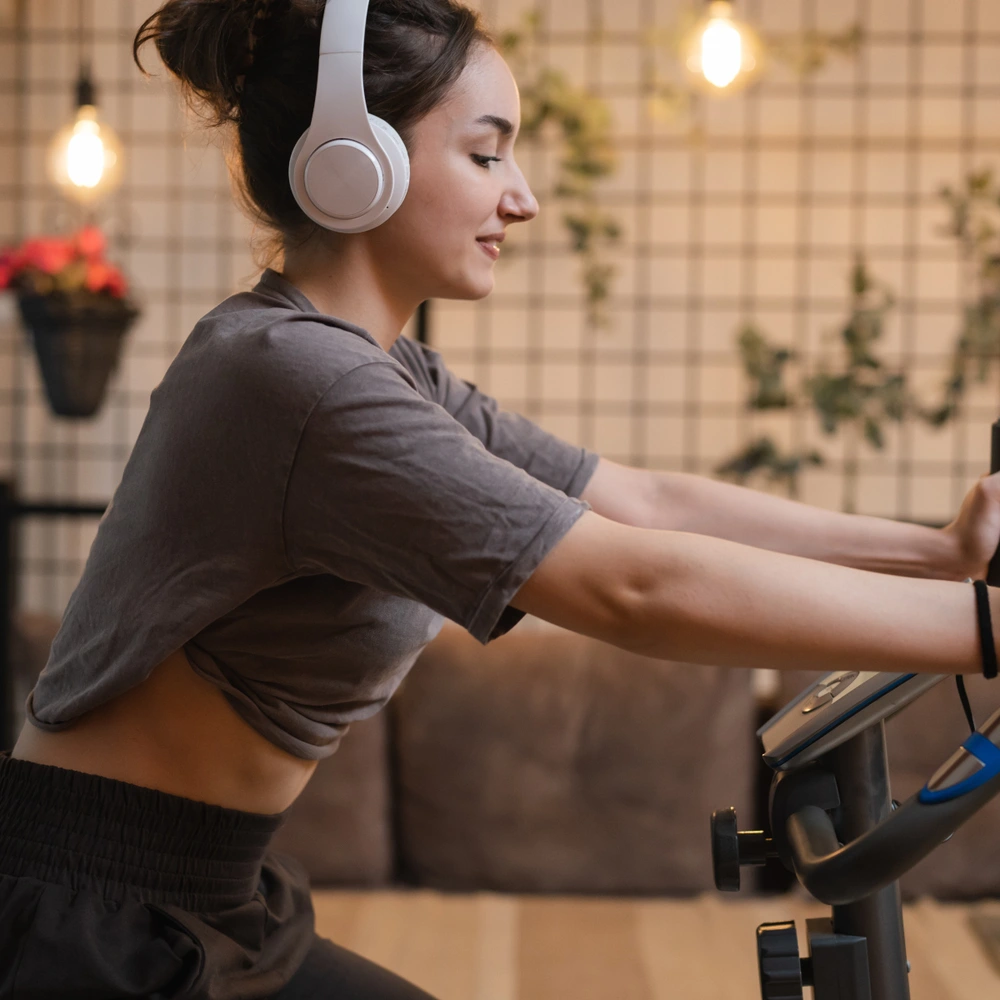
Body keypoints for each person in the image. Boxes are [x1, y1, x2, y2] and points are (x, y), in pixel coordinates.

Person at [1, 0, 999, 997]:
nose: (521, 198)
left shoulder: (382, 373)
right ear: (356, 164)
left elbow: (642, 505)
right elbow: (632, 587)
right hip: (92, 919)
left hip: (212, 893)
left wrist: (941, 555)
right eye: (486, 156)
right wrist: (984, 630)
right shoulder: (300, 382)